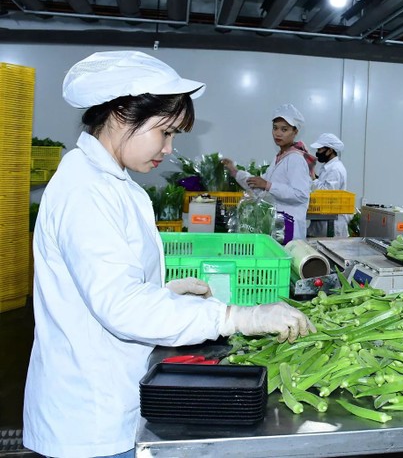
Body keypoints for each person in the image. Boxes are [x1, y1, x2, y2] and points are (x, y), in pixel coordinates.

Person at [23, 51, 314, 458]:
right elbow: (119, 305)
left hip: (111, 392)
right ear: (122, 113)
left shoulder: (113, 182)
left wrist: (163, 291)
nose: (169, 148)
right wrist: (235, 317)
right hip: (90, 417)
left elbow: (106, 282)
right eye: (165, 132)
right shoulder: (85, 190)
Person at [223, 103, 312, 241]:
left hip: (289, 228)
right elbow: (259, 185)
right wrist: (235, 172)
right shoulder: (280, 158)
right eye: (275, 128)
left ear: (295, 132)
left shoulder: (295, 160)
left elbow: (300, 195)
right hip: (278, 226)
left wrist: (268, 185)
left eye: (284, 129)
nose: (278, 133)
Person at [307, 132, 351, 238]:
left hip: (332, 223)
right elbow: (322, 183)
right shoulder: (328, 167)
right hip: (323, 221)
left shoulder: (335, 169)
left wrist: (313, 176)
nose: (317, 153)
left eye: (320, 150)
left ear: (330, 150)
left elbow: (326, 193)